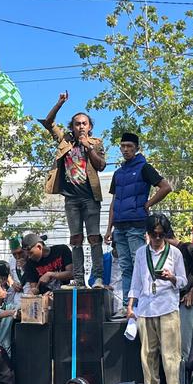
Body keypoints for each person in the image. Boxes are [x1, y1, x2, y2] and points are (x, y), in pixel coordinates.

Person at [39, 91, 108, 287]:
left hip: (90, 198)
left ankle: (98, 278)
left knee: (94, 238)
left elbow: (101, 165)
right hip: (71, 200)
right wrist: (60, 102)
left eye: (84, 123)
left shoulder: (96, 143)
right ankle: (78, 279)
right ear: (73, 127)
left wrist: (88, 147)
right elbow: (48, 122)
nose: (81, 127)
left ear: (90, 127)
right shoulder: (65, 141)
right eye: (77, 124)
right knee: (76, 239)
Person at [106, 132, 173, 310]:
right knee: (125, 267)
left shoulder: (144, 167)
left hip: (136, 224)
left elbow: (166, 187)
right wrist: (108, 228)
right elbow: (114, 202)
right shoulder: (118, 173)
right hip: (119, 226)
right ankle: (128, 306)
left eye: (129, 146)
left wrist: (147, 204)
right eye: (123, 146)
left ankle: (144, 302)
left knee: (139, 264)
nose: (125, 149)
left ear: (136, 148)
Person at [128, 213, 187, 384]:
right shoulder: (141, 253)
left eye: (161, 234)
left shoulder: (175, 253)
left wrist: (171, 278)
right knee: (147, 355)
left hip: (168, 307)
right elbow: (136, 282)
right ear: (148, 234)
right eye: (154, 234)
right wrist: (131, 306)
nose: (157, 238)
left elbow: (183, 281)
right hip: (145, 308)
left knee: (170, 355)